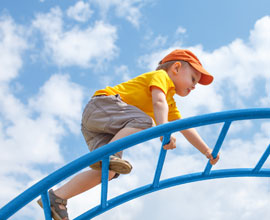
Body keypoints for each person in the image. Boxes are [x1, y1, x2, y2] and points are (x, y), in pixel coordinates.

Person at [38, 49, 220, 220]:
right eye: (193, 79)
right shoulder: (161, 77)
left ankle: (58, 197)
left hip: (101, 126)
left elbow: (185, 127)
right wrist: (164, 129)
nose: (194, 87)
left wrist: (206, 150)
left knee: (108, 171)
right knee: (146, 122)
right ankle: (110, 154)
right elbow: (158, 103)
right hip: (102, 107)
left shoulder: (170, 103)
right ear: (176, 68)